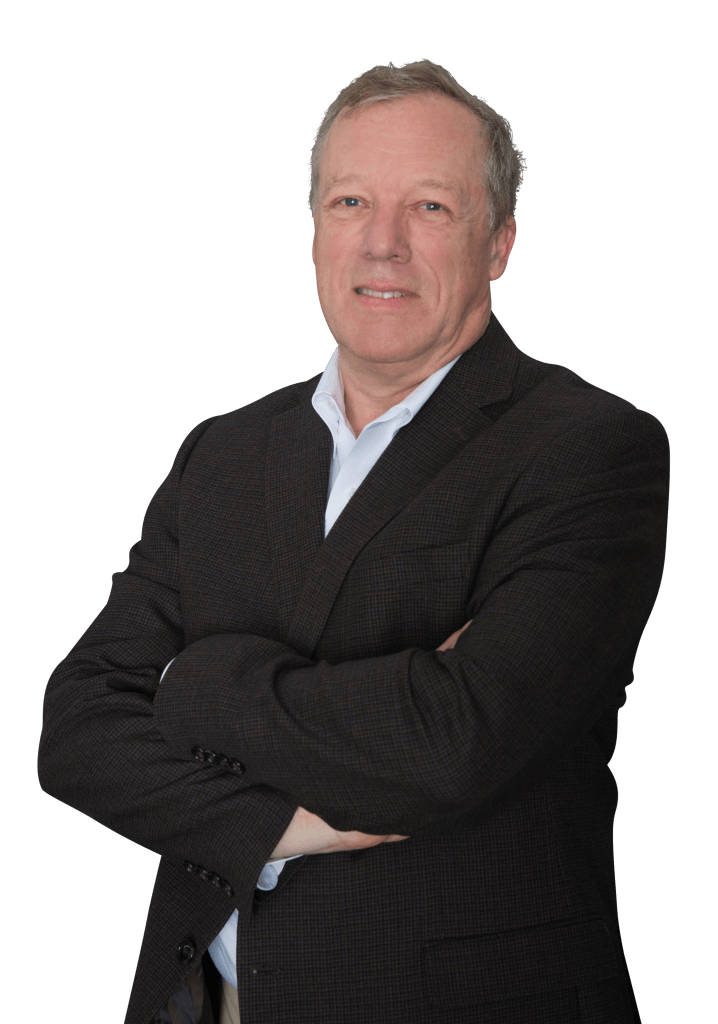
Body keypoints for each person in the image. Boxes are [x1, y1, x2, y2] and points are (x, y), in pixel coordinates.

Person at [39, 60, 666, 1023]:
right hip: (206, 1003)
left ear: (499, 242)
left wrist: (186, 685)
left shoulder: (588, 450)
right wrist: (285, 825)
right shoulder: (222, 451)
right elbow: (78, 731)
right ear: (315, 229)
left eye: (429, 208)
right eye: (351, 202)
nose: (383, 243)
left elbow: (454, 743)